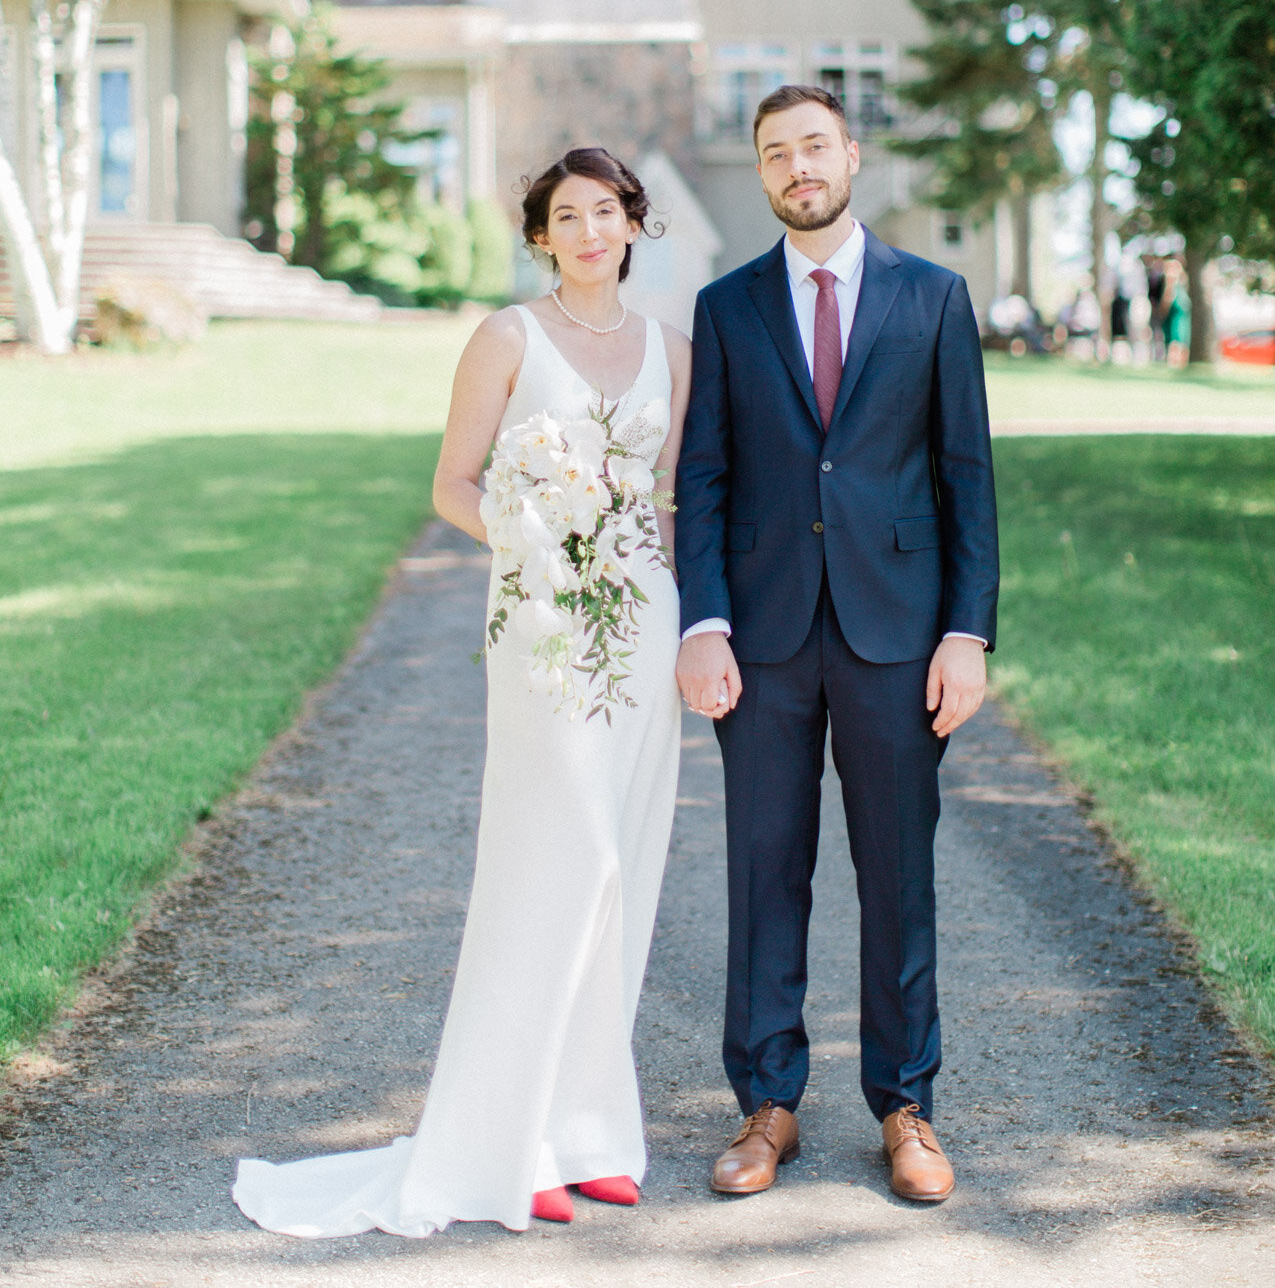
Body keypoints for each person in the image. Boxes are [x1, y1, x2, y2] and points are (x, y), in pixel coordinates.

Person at [233, 148, 690, 1236]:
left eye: (605, 212)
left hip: (643, 627)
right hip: (539, 627)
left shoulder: (674, 348)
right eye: (565, 216)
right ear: (541, 235)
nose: (587, 231)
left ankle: (591, 1132)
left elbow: (680, 494)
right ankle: (509, 1139)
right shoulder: (506, 337)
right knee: (558, 860)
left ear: (634, 223)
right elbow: (452, 481)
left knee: (622, 864)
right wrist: (528, 535)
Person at [675, 85, 998, 1205]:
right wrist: (702, 620)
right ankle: (769, 1102)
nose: (798, 166)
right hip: (760, 638)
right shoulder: (726, 307)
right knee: (766, 868)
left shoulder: (935, 297)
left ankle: (905, 1103)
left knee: (897, 874)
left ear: (851, 154)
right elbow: (703, 478)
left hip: (898, 634)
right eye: (777, 153)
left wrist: (966, 632)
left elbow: (966, 479)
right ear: (763, 173)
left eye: (814, 145)